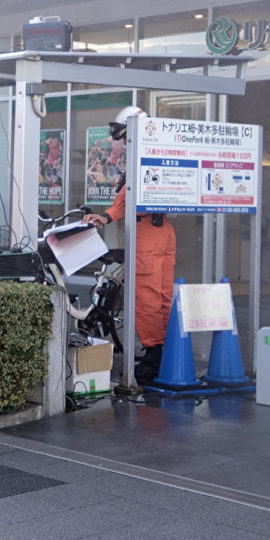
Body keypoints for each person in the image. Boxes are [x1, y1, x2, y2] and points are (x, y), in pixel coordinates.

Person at [83, 106, 176, 384]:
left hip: (148, 233)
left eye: (123, 136)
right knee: (161, 297)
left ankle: (153, 356)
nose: (122, 143)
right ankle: (164, 354)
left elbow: (128, 194)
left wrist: (107, 216)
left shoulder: (143, 157)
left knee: (147, 297)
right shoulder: (162, 152)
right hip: (163, 232)